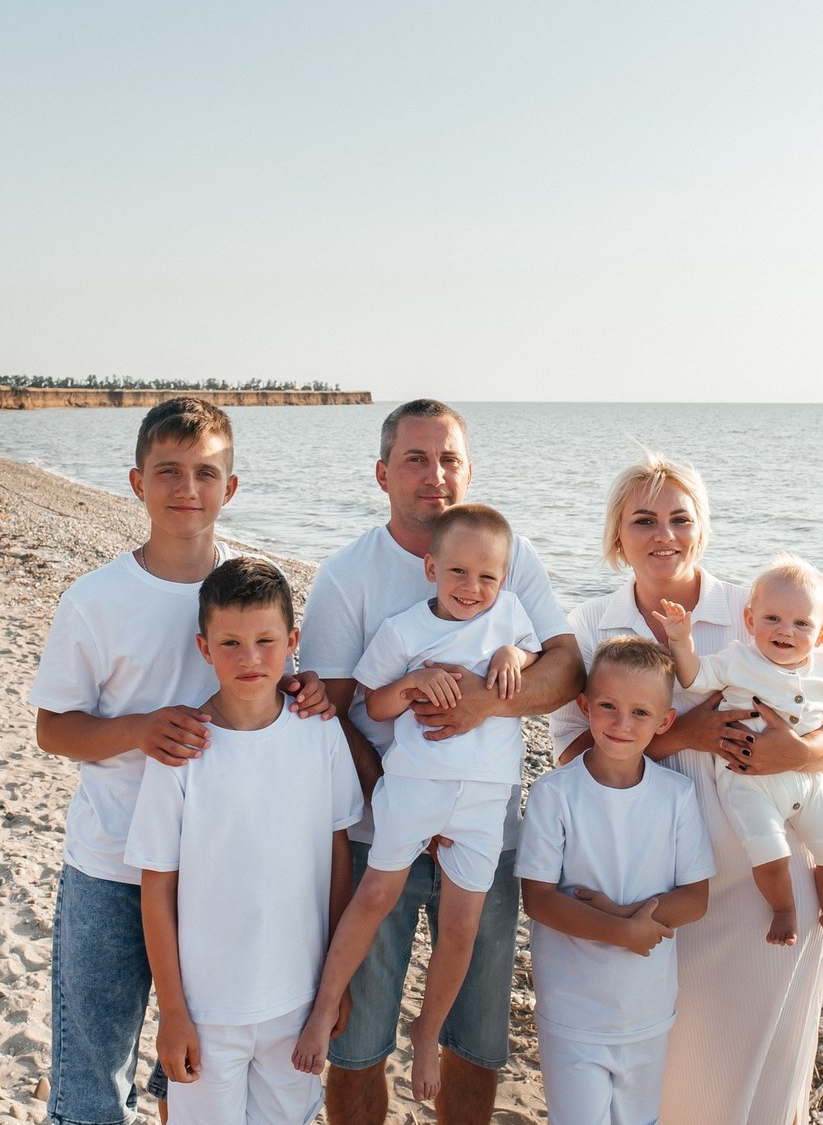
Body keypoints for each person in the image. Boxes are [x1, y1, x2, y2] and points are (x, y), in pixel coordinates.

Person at [29, 398, 329, 1125]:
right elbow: (52, 729)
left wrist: (311, 687)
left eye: (205, 472)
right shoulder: (96, 599)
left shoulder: (253, 592)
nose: (186, 488)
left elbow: (280, 690)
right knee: (92, 1075)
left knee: (188, 1074)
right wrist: (137, 729)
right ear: (137, 483)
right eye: (168, 471)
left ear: (232, 487)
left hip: (218, 873)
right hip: (111, 864)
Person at [546, 449, 823, 1125]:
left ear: (702, 529)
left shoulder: (753, 610)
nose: (664, 535)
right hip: (652, 871)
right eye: (644, 520)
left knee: (754, 1063)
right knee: (666, 1059)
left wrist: (801, 749)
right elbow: (570, 748)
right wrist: (680, 736)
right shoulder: (590, 626)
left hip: (765, 870)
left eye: (680, 519)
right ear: (616, 535)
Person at [298, 399, 584, 1125]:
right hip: (383, 826)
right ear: (383, 473)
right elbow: (330, 710)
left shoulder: (506, 557)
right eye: (417, 459)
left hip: (485, 822)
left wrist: (484, 703)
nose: (435, 475)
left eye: (449, 458)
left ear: (469, 469)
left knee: (477, 1040)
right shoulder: (347, 575)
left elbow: (566, 670)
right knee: (358, 1043)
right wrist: (393, 795)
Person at [292, 504, 541, 1102]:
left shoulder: (508, 614)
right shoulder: (404, 630)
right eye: (457, 572)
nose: (472, 589)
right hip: (412, 789)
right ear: (431, 568)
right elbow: (369, 706)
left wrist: (514, 656)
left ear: (504, 579)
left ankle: (427, 1034)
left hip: (484, 803)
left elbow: (536, 653)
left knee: (461, 926)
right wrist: (408, 686)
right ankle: (325, 1007)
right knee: (375, 896)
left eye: (486, 577)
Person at [124, 557, 363, 1125]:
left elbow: (338, 858)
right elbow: (157, 890)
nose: (250, 658)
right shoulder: (182, 749)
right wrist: (174, 1012)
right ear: (204, 648)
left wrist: (333, 987)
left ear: (292, 642)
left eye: (266, 640)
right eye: (230, 642)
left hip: (297, 1001)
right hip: (208, 1011)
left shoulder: (320, 731)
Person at [517, 637, 714, 1125]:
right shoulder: (554, 793)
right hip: (573, 1009)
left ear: (665, 721)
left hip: (647, 1009)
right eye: (608, 706)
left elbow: (696, 898)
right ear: (584, 706)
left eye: (640, 713)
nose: (622, 724)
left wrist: (624, 916)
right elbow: (538, 899)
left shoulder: (676, 794)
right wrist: (622, 930)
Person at [656, 554, 823, 948]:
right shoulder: (737, 660)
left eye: (802, 623)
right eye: (773, 619)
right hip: (746, 783)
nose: (786, 631)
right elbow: (694, 677)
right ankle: (784, 909)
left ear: (822, 633)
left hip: (806, 781)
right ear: (750, 621)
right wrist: (681, 640)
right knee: (768, 852)